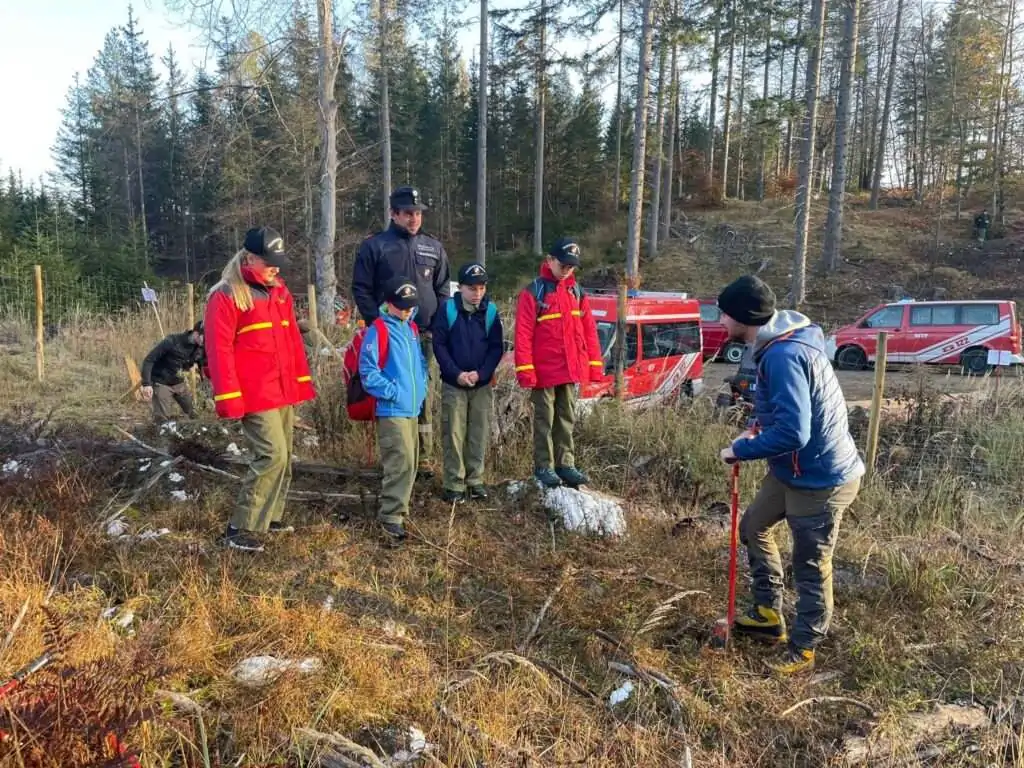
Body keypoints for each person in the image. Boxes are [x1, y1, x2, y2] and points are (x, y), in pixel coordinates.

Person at [716, 275, 864, 675]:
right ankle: (768, 613)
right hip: (791, 469)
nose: (720, 318)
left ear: (744, 316)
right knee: (753, 526)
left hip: (822, 477)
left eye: (724, 312)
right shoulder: (770, 345)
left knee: (810, 562)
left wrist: (741, 450)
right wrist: (753, 426)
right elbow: (776, 408)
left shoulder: (784, 355)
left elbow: (795, 431)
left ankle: (804, 646)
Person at [204, 226, 316, 553]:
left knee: (285, 457)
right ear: (249, 257)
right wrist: (228, 397)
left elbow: (292, 342)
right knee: (271, 454)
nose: (275, 267)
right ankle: (240, 527)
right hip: (254, 393)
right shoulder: (225, 295)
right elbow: (218, 351)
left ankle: (271, 517)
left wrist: (300, 383)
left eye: (277, 261)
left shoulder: (278, 292)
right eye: (269, 261)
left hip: (282, 390)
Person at [351, 186, 451, 476]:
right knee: (392, 396)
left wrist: (439, 325)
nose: (414, 219)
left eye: (418, 213)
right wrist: (376, 325)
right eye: (408, 213)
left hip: (425, 335)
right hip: (390, 337)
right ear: (394, 213)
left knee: (422, 395)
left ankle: (423, 459)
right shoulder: (376, 246)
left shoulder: (433, 247)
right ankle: (396, 461)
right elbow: (361, 288)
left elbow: (443, 288)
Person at [514, 237, 603, 489]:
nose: (567, 271)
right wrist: (526, 371)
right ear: (550, 261)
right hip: (544, 373)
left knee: (566, 418)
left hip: (571, 369)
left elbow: (589, 332)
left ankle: (566, 464)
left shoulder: (577, 292)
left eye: (571, 267)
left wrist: (594, 367)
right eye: (563, 265)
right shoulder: (534, 292)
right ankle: (544, 465)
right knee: (545, 420)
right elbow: (523, 335)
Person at [358, 276, 428, 543]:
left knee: (411, 463)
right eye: (402, 305)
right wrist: (394, 392)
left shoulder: (410, 329)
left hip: (412, 407)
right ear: (389, 303)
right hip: (392, 409)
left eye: (410, 305)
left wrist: (422, 387)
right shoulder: (378, 329)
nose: (407, 310)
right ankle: (391, 518)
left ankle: (400, 510)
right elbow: (368, 371)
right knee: (399, 462)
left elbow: (419, 363)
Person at [432, 263, 504, 503]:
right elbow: (439, 346)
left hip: (481, 384)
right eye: (472, 288)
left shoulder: (491, 311)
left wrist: (481, 374)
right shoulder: (448, 310)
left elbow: (496, 347)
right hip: (454, 383)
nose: (477, 293)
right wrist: (456, 373)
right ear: (460, 287)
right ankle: (454, 483)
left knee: (478, 432)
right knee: (453, 432)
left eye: (481, 288)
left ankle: (475, 480)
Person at [140, 322, 205, 421]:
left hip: (179, 383)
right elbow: (149, 360)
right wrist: (146, 384)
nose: (206, 341)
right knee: (162, 419)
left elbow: (204, 365)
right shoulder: (172, 341)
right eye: (204, 337)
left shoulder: (200, 348)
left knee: (194, 413)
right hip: (161, 382)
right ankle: (161, 431)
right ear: (196, 333)